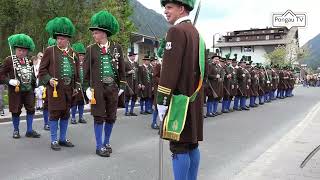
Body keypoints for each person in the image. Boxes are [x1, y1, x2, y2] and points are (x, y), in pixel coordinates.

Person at [157, 0, 206, 179]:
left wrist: (162, 101)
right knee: (191, 145)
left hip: (179, 101)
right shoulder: (197, 33)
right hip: (193, 100)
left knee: (179, 147)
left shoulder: (176, 31)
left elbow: (170, 72)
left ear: (181, 8)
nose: (165, 11)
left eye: (169, 7)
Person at [83, 10, 126, 157]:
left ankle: (107, 142)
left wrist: (122, 86)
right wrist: (86, 88)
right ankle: (98, 145)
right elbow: (86, 71)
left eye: (95, 32)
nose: (94, 35)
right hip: (98, 90)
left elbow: (122, 69)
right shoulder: (90, 49)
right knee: (99, 116)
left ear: (104, 33)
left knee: (111, 117)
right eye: (93, 33)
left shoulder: (117, 47)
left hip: (113, 89)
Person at [39, 17, 78, 151]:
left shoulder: (73, 53)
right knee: (55, 114)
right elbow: (42, 70)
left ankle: (62, 138)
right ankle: (54, 140)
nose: (59, 41)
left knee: (66, 114)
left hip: (69, 90)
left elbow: (77, 73)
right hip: (55, 89)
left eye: (62, 38)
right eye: (58, 38)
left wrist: (77, 87)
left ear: (68, 40)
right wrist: (49, 79)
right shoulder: (50, 51)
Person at [0, 34, 41, 139]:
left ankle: (29, 130)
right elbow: (1, 75)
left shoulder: (29, 61)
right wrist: (9, 81)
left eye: (24, 51)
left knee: (31, 109)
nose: (21, 52)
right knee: (16, 111)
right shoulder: (9, 60)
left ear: (27, 51)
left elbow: (31, 75)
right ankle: (16, 130)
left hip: (29, 90)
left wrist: (35, 86)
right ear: (15, 50)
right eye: (19, 50)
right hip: (16, 91)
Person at [70, 42, 87, 124]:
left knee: (82, 103)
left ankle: (81, 117)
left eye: (83, 55)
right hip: (75, 86)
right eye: (80, 55)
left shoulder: (85, 65)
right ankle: (73, 117)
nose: (82, 57)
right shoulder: (73, 64)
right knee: (74, 103)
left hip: (83, 86)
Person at [124, 50, 139, 116]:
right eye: (132, 56)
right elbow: (122, 73)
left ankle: (131, 111)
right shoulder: (125, 63)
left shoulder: (136, 64)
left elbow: (138, 74)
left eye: (134, 56)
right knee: (127, 97)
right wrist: (128, 72)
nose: (133, 57)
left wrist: (139, 83)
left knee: (134, 97)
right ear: (129, 57)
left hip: (135, 84)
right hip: (128, 84)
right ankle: (126, 111)